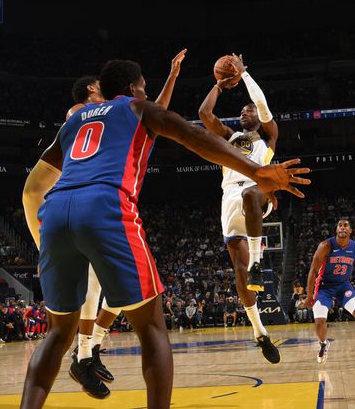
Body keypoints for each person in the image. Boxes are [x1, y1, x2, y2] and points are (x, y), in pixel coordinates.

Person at [19, 59, 310, 409]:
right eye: (142, 86)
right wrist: (256, 170)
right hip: (104, 206)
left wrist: (44, 245)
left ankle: (77, 362)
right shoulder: (138, 108)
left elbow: (32, 190)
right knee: (152, 328)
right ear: (132, 89)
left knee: (56, 334)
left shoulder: (72, 124)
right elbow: (193, 135)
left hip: (54, 214)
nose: (145, 92)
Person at [65, 50, 187, 392]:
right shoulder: (83, 112)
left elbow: (153, 114)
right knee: (94, 288)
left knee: (119, 294)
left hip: (87, 204)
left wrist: (173, 76)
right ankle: (84, 355)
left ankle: (90, 349)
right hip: (85, 204)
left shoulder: (112, 112)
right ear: (92, 90)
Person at [198, 54, 282, 363]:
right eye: (242, 110)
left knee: (251, 192)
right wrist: (219, 85)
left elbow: (260, 103)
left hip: (258, 191)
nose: (245, 113)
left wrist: (244, 74)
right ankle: (260, 332)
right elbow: (204, 114)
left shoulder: (269, 138)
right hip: (227, 199)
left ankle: (259, 263)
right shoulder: (230, 137)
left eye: (249, 110)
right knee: (239, 271)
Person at [305, 219, 355, 369]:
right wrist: (309, 295)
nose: (342, 227)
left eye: (345, 225)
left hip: (343, 285)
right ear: (336, 230)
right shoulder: (325, 246)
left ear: (350, 230)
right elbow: (313, 271)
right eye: (340, 225)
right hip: (324, 287)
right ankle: (323, 344)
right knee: (320, 321)